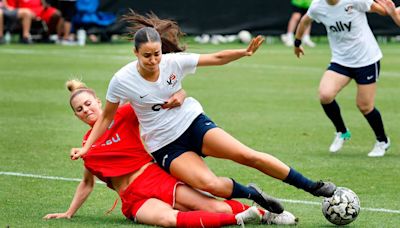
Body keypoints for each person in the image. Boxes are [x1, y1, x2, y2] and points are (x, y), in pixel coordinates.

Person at [70, 11, 336, 212]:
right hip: (165, 145)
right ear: (135, 53)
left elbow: (216, 58)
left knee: (246, 155)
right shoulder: (122, 79)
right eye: (147, 56)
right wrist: (87, 148)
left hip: (192, 123)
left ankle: (313, 187)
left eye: (157, 54)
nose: (153, 61)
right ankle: (253, 194)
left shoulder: (172, 63)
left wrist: (243, 53)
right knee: (210, 185)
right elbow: (106, 117)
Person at [43, 79, 298, 227]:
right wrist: (68, 213)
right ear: (76, 115)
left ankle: (266, 214)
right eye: (79, 109)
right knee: (169, 220)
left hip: (154, 177)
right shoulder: (87, 145)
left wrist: (181, 92)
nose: (85, 110)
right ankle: (244, 217)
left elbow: (160, 97)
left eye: (88, 103)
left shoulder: (124, 113)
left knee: (211, 207)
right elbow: (87, 183)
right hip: (133, 199)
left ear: (99, 102)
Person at [293, 0, 394, 157]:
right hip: (341, 61)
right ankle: (342, 132)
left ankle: (382, 140)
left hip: (366, 60)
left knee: (364, 106)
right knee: (325, 95)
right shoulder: (318, 6)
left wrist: (386, 9)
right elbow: (305, 20)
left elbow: (382, 10)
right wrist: (297, 42)